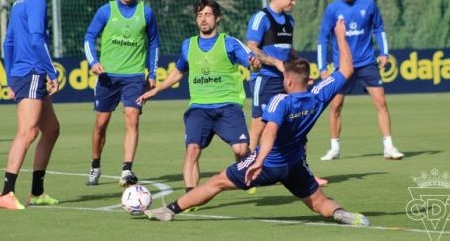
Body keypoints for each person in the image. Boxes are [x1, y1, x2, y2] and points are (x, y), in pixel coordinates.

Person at [144, 20, 369, 227]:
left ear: (288, 80)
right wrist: (341, 36)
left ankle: (169, 209)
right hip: (295, 165)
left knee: (216, 182)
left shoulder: (280, 101)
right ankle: (341, 214)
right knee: (319, 202)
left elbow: (270, 131)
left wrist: (259, 161)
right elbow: (346, 70)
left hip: (269, 164)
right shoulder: (317, 96)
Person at [137, 0, 257, 194]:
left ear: (217, 18)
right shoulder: (188, 45)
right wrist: (156, 90)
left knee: (241, 150)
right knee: (192, 150)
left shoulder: (229, 43)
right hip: (199, 108)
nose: (203, 19)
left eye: (208, 15)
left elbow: (251, 61)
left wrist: (256, 63)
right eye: (200, 15)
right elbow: (178, 72)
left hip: (228, 105)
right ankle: (191, 195)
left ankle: (245, 174)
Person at [246, 0, 328, 186]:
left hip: (287, 80)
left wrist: (300, 71)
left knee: (297, 124)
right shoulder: (260, 18)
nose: (294, 2)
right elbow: (252, 48)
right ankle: (247, 168)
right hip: (264, 79)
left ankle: (303, 172)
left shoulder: (289, 22)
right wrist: (277, 63)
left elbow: (289, 50)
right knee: (259, 124)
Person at [83, 0, 160, 186]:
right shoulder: (106, 11)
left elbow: (154, 43)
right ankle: (95, 165)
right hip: (107, 76)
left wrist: (152, 73)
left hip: (134, 76)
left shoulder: (146, 12)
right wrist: (93, 61)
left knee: (132, 118)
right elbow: (89, 37)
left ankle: (127, 170)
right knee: (101, 123)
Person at [317, 0, 404, 161]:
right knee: (336, 106)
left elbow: (379, 29)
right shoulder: (332, 9)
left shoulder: (368, 4)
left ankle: (388, 147)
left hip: (366, 63)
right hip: (343, 66)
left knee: (381, 102)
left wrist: (384, 52)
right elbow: (323, 39)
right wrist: (322, 67)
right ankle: (334, 148)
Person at [0, 0, 60, 210]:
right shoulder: (36, 0)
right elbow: (37, 40)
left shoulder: (19, 0)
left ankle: (37, 192)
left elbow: (7, 42)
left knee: (51, 129)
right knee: (27, 132)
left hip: (22, 73)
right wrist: (52, 72)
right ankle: (6, 193)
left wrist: (11, 77)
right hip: (33, 72)